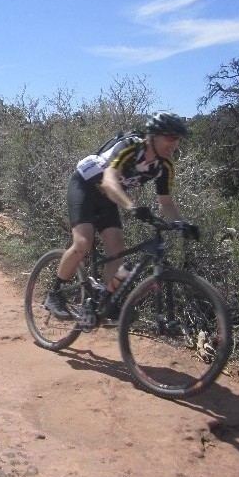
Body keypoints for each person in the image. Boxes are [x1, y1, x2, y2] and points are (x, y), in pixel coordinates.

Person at [44, 111, 199, 320]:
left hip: (109, 198)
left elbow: (166, 203)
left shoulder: (164, 166)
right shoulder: (130, 147)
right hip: (85, 186)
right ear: (153, 136)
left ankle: (105, 302)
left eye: (177, 140)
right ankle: (54, 293)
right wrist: (132, 206)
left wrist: (182, 224)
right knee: (83, 243)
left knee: (117, 250)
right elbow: (109, 181)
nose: (174, 144)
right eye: (170, 138)